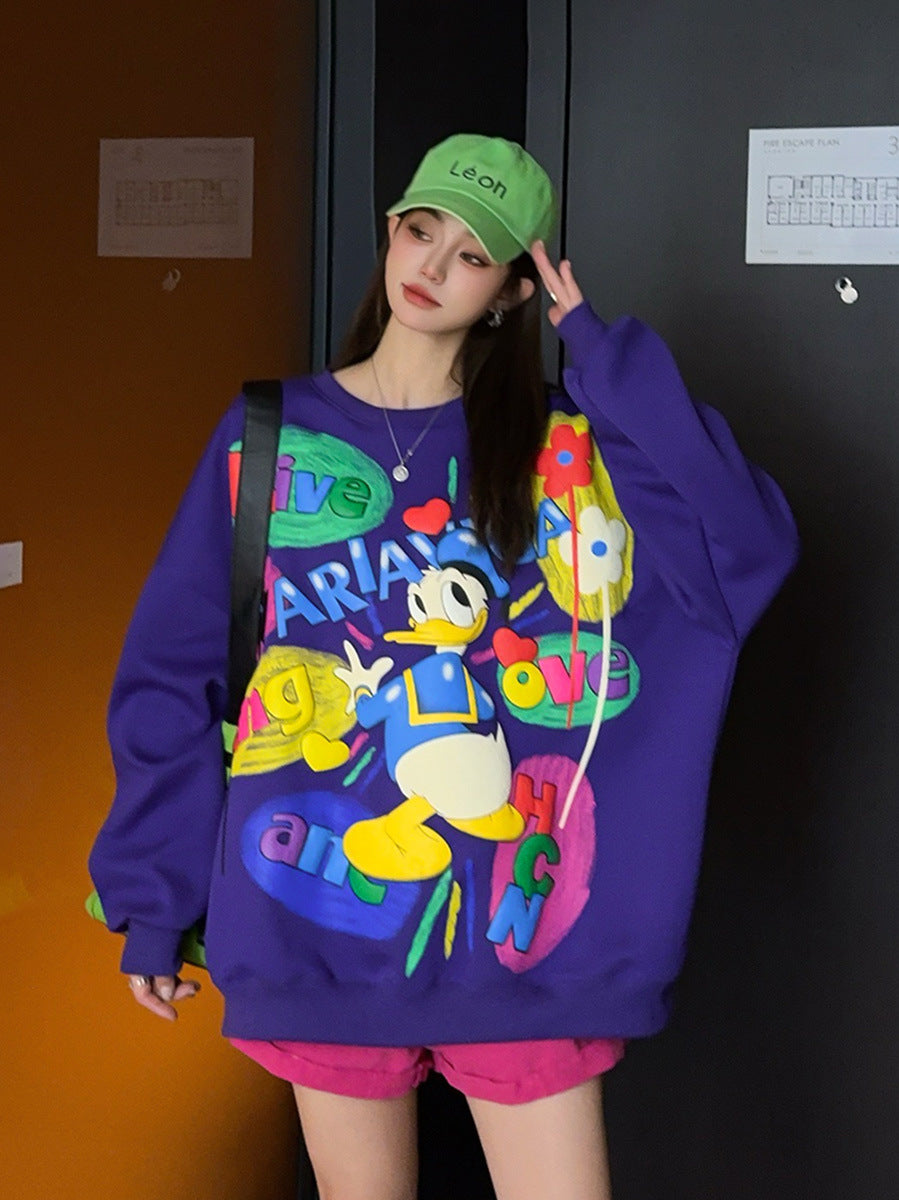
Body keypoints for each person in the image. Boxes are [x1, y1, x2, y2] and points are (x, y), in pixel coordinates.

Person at [89, 133, 798, 1200]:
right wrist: (154, 897)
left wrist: (605, 359)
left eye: (472, 254)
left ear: (513, 290)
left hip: (523, 952)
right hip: (317, 920)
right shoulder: (269, 435)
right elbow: (172, 672)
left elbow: (744, 547)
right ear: (390, 232)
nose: (431, 265)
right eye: (421, 231)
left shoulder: (566, 446)